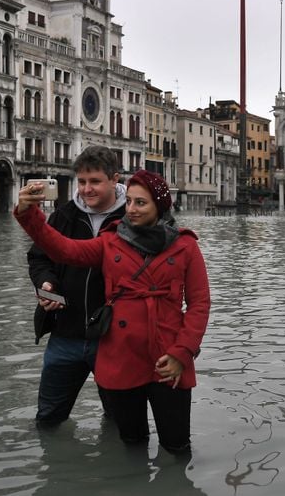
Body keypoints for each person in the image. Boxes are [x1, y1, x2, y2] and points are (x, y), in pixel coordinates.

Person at [15, 170, 210, 454]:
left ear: (160, 205)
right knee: (131, 443)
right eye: (129, 201)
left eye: (140, 203)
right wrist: (28, 213)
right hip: (121, 356)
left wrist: (183, 353)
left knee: (177, 445)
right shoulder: (111, 241)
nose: (131, 209)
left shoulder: (185, 245)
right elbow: (64, 250)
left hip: (168, 357)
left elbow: (199, 304)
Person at [28, 145, 127, 427]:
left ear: (114, 179)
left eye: (95, 181)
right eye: (82, 182)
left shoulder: (132, 219)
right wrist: (46, 284)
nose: (86, 189)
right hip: (65, 334)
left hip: (113, 339)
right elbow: (39, 258)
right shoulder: (63, 216)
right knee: (48, 419)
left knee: (120, 420)